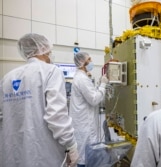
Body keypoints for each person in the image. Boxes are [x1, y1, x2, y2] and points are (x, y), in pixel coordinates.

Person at [0, 33, 79, 167]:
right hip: (43, 154)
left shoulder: (7, 78)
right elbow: (56, 116)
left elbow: (2, 116)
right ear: (44, 50)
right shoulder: (50, 71)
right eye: (50, 51)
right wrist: (71, 144)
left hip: (11, 153)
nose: (50, 55)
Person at [69, 52, 109, 167]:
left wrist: (99, 86)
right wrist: (103, 85)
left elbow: (91, 94)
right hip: (84, 125)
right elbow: (94, 99)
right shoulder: (82, 79)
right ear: (82, 63)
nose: (91, 61)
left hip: (83, 123)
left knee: (86, 154)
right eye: (89, 59)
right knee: (85, 157)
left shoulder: (82, 77)